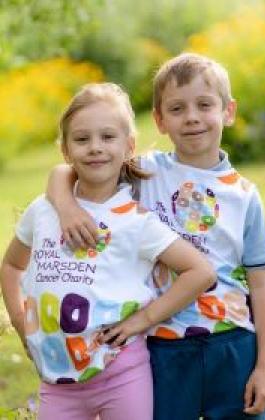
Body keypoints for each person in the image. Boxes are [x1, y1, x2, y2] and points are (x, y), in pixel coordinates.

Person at [47, 53, 265, 419]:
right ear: (159, 120)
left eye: (205, 105)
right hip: (161, 345)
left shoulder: (245, 195)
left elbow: (261, 284)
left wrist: (264, 368)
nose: (192, 117)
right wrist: (66, 206)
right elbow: (65, 170)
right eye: (177, 108)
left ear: (228, 111)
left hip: (232, 345)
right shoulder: (144, 173)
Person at [0, 82, 215, 420]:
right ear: (66, 151)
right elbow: (12, 265)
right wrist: (18, 317)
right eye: (82, 139)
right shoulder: (43, 211)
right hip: (56, 381)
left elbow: (200, 272)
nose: (95, 148)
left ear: (129, 146)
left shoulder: (136, 221)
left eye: (107, 137)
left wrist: (142, 320)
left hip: (122, 372)